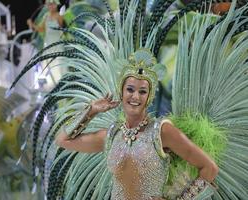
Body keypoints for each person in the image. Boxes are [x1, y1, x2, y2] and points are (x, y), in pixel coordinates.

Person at [55, 49, 218, 200]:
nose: (135, 97)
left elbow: (209, 168)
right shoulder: (112, 135)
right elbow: (63, 140)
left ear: (149, 97)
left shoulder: (161, 131)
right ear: (121, 92)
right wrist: (91, 110)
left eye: (142, 92)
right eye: (130, 89)